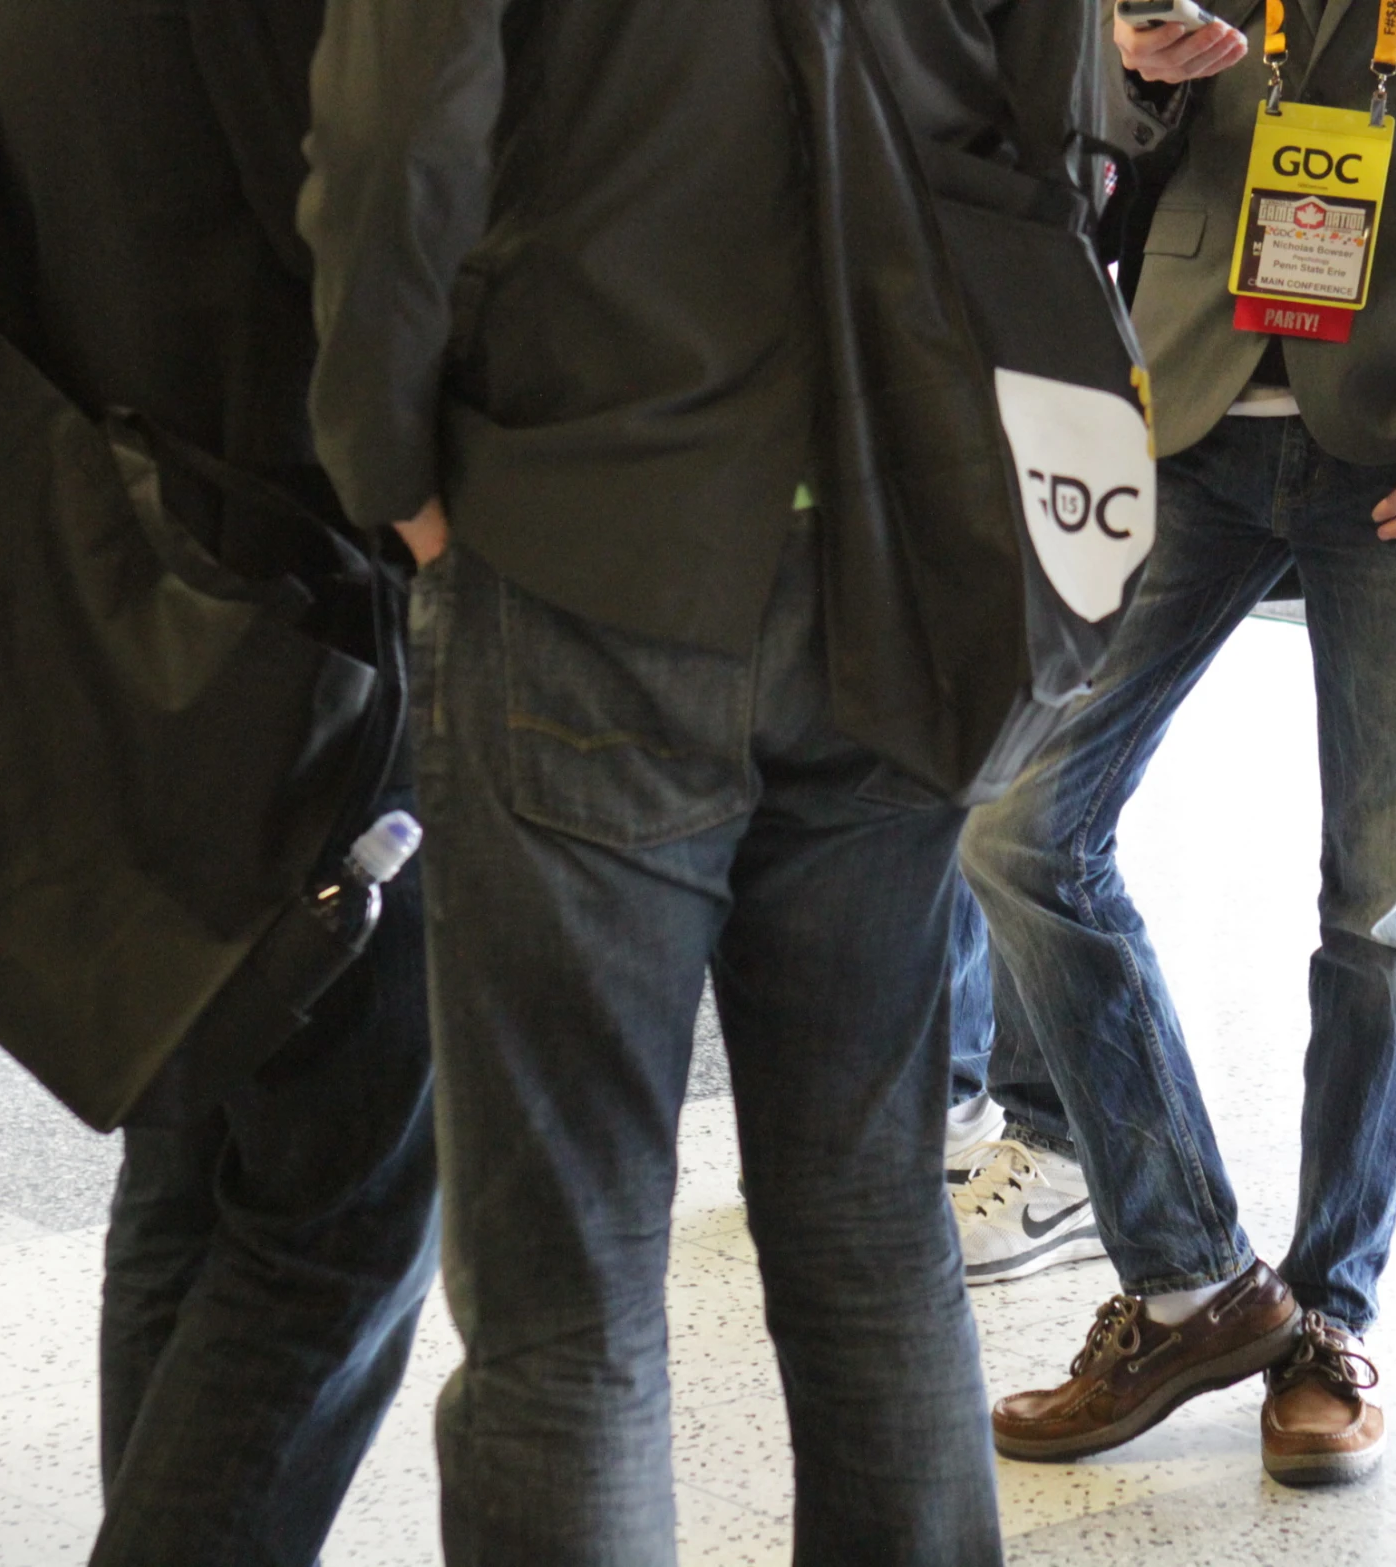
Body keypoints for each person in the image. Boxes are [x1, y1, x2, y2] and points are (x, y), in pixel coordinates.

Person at [299, 1, 1104, 1560]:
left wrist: (384, 465)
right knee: (871, 1220)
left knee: (571, 1281)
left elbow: (399, 136)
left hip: (588, 524)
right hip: (902, 542)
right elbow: (1056, 133)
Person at [958, 2, 1396, 1485]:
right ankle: (1195, 1278)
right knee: (1017, 825)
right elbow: (1088, 140)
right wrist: (1124, 73)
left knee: (1379, 907)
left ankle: (1328, 1317)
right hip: (1184, 407)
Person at [0, 4, 441, 1564]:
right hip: (302, 598)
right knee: (341, 1210)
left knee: (192, 1152)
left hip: (112, 578)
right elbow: (364, 236)